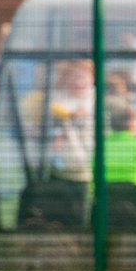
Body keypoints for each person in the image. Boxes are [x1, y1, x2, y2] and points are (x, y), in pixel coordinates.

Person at [48, 59, 95, 201]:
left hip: (84, 171)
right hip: (58, 170)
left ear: (92, 79)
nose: (77, 81)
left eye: (82, 77)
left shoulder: (95, 100)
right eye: (74, 77)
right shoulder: (57, 99)